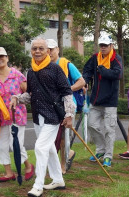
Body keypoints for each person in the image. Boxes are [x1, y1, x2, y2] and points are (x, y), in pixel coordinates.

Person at [10, 38, 75, 197]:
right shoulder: (31, 71)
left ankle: (38, 185)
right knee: (49, 148)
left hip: (53, 116)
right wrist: (17, 98)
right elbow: (31, 95)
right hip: (38, 117)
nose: (37, 51)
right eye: (34, 48)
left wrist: (69, 115)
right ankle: (58, 180)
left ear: (48, 51)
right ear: (31, 51)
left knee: (40, 147)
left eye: (41, 48)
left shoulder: (55, 69)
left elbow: (67, 92)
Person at [0, 47, 34, 182]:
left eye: (1, 56)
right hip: (1, 117)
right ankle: (9, 173)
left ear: (7, 58)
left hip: (17, 115)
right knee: (1, 145)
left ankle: (28, 166)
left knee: (17, 145)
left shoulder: (18, 75)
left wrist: (17, 98)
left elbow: (28, 94)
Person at [83, 35, 123, 167]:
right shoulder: (95, 58)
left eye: (106, 45)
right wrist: (85, 81)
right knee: (91, 125)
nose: (103, 47)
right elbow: (87, 70)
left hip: (110, 101)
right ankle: (101, 149)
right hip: (95, 99)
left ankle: (108, 156)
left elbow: (118, 74)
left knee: (109, 129)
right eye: (101, 45)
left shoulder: (116, 59)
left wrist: (103, 70)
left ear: (111, 45)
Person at [46, 38, 85, 174]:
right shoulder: (43, 66)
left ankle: (63, 165)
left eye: (52, 49)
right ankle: (65, 156)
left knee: (63, 137)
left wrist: (68, 89)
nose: (49, 52)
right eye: (47, 49)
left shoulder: (66, 64)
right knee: (51, 137)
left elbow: (81, 81)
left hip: (67, 105)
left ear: (57, 49)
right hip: (50, 106)